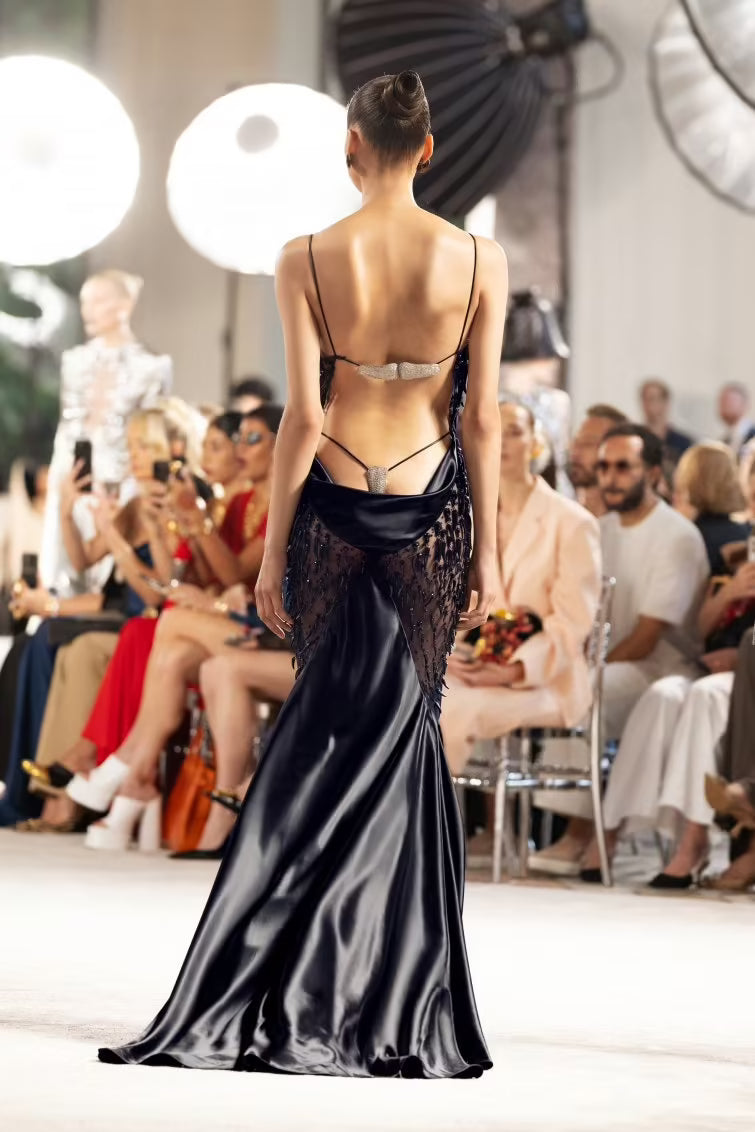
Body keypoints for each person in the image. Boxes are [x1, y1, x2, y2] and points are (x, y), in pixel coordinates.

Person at [98, 70, 505, 1079]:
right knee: (400, 734)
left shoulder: (306, 256)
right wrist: (489, 550)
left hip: (331, 501)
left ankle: (283, 975)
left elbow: (304, 417)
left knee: (322, 732)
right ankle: (380, 993)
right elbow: (482, 419)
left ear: (349, 148)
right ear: (428, 149)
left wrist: (275, 547)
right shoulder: (476, 259)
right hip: (428, 511)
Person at [530, 424, 709, 875]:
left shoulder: (677, 536)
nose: (609, 477)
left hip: (663, 669)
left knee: (587, 688)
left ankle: (578, 834)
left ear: (653, 473)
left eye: (623, 467)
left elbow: (648, 636)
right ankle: (533, 830)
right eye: (604, 467)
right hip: (609, 664)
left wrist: (585, 666)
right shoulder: (598, 529)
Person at [576, 444, 751, 887]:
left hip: (739, 670)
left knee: (700, 697)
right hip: (707, 663)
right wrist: (732, 593)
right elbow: (702, 626)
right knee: (663, 697)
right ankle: (609, 831)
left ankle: (692, 841)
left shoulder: (682, 534)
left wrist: (742, 657)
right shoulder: (740, 548)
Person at [442, 400, 601, 781]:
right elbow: (449, 609)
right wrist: (452, 655)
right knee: (402, 697)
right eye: (495, 429)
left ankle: (429, 815)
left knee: (447, 709)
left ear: (536, 443)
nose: (502, 440)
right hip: (473, 670)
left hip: (548, 680)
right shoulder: (465, 519)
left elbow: (571, 626)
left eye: (515, 431)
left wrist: (513, 670)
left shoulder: (572, 523)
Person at [40, 269, 172, 593]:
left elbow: (150, 432)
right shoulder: (74, 361)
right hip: (72, 476)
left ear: (125, 304)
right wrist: (60, 480)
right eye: (85, 301)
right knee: (62, 569)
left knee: (109, 574)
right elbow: (67, 425)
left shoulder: (152, 366)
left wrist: (131, 483)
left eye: (98, 300)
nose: (88, 310)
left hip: (120, 486)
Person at [566, 404, 627, 518]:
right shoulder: (564, 516)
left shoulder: (630, 522)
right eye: (576, 442)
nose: (575, 451)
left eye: (588, 443)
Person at [639, 378, 693, 467]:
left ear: (665, 402)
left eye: (653, 398)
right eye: (645, 399)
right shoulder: (636, 440)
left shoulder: (683, 443)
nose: (649, 404)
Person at [718, 381, 755, 457]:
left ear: (745, 404)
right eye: (722, 402)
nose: (724, 406)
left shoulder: (753, 436)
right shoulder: (723, 442)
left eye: (729, 401)